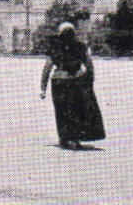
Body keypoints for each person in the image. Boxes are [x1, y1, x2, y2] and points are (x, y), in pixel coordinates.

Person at [39, 22, 106, 150]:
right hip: (76, 81)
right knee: (76, 110)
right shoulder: (80, 47)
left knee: (62, 111)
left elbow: (47, 68)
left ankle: (64, 137)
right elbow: (89, 65)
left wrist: (43, 88)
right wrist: (90, 81)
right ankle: (74, 138)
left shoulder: (55, 48)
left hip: (59, 82)